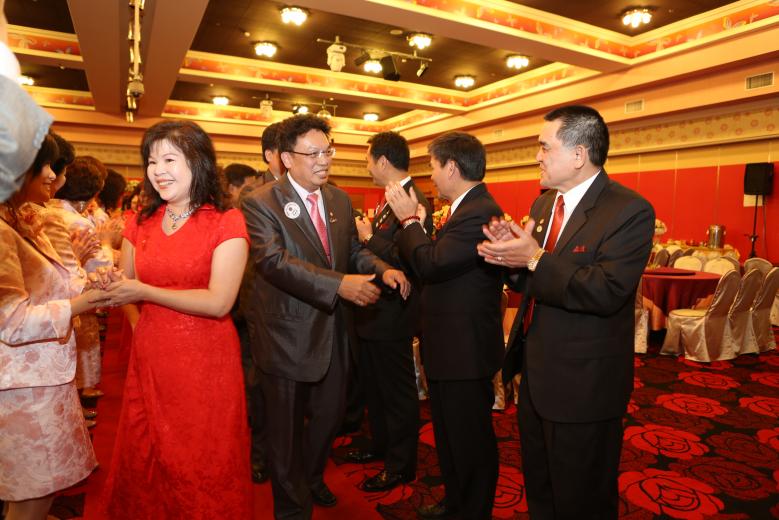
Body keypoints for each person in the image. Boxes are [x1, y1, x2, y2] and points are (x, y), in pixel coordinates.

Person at [478, 105, 655, 518]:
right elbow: (533, 283)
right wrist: (511, 259)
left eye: (544, 147)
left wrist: (534, 257)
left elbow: (606, 291)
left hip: (585, 385)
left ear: (579, 154)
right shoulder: (544, 206)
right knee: (541, 490)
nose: (536, 156)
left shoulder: (628, 210)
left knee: (582, 499)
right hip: (537, 376)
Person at [240, 114, 410, 519]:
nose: (324, 160)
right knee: (284, 433)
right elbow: (274, 262)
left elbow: (351, 250)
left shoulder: (337, 199)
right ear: (287, 158)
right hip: (285, 335)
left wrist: (382, 267)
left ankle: (312, 476)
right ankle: (292, 508)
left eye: (327, 151)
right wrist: (339, 285)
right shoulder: (261, 202)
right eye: (313, 153)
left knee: (330, 418)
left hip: (334, 331)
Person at [97, 120, 252, 518]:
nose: (158, 170)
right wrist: (116, 292)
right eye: (151, 161)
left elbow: (219, 302)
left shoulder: (226, 221)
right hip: (151, 354)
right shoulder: (141, 222)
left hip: (205, 359)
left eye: (169, 159)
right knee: (147, 448)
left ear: (198, 162)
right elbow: (127, 284)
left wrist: (145, 293)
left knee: (201, 456)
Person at [385, 132, 504, 519]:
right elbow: (438, 261)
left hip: (464, 349)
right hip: (449, 346)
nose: (432, 176)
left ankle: (472, 510)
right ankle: (456, 503)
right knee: (451, 436)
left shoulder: (479, 211)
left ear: (452, 167)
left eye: (434, 166)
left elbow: (432, 264)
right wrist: (418, 228)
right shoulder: (463, 209)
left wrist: (408, 221)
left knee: (469, 440)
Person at [1, 133, 106, 520]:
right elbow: (12, 322)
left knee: (30, 494)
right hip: (21, 386)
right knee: (32, 496)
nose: (52, 175)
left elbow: (51, 281)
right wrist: (82, 303)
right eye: (42, 164)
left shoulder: (19, 218)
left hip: (41, 378)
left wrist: (85, 285)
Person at [347, 131, 432, 492]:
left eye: (368, 160)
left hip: (394, 313)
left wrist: (368, 238)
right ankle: (381, 445)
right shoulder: (389, 199)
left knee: (396, 393)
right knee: (376, 389)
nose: (366, 168)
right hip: (374, 312)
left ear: (382, 161)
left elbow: (408, 257)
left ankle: (401, 464)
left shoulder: (413, 200)